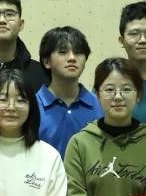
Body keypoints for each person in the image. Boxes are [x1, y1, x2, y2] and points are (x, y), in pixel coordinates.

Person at [64, 57, 146, 196]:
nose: (118, 97)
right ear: (98, 95)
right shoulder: (79, 144)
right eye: (109, 90)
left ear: (138, 95)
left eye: (126, 89)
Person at [36, 26, 101, 155]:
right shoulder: (31, 106)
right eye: (63, 52)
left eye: (78, 52)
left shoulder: (100, 104)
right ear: (46, 61)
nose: (72, 58)